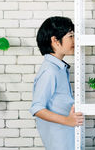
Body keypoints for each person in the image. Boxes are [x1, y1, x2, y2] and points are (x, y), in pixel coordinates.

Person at [29, 16, 84, 150]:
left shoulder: (58, 68)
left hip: (67, 138)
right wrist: (68, 121)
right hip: (59, 141)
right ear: (55, 40)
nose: (74, 40)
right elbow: (37, 108)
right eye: (70, 36)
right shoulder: (50, 71)